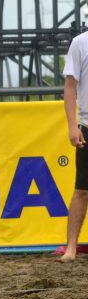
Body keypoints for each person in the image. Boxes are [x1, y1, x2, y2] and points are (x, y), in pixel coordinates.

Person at [61, 28, 88, 262]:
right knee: (81, 190)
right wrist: (73, 126)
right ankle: (71, 248)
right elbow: (70, 86)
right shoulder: (80, 43)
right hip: (87, 124)